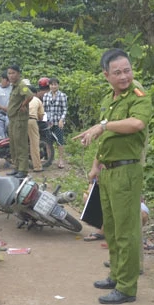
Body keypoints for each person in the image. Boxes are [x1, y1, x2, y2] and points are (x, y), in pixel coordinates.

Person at [73, 48, 152, 305]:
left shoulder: (138, 96)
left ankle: (127, 288)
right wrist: (96, 165)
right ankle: (116, 276)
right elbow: (105, 137)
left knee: (127, 231)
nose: (124, 76)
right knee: (113, 229)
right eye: (117, 72)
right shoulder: (109, 99)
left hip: (127, 172)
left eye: (127, 70)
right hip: (107, 173)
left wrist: (103, 126)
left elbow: (136, 124)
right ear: (106, 75)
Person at [6, 65, 33, 179]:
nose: (11, 75)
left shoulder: (22, 85)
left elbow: (30, 95)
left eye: (13, 73)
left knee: (20, 145)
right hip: (12, 119)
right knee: (13, 145)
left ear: (18, 73)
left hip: (19, 119)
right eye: (9, 73)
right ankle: (17, 167)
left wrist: (23, 104)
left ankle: (23, 169)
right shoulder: (14, 86)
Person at [43, 77, 68, 169]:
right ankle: (50, 160)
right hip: (49, 122)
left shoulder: (62, 96)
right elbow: (44, 109)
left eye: (55, 84)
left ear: (58, 85)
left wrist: (61, 120)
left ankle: (61, 160)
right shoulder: (46, 96)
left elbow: (65, 110)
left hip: (58, 122)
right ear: (49, 86)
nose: (53, 86)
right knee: (48, 141)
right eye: (52, 84)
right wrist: (45, 121)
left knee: (59, 141)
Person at [26, 83, 45, 173]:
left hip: (19, 121)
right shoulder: (37, 100)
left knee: (20, 145)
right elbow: (41, 115)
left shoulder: (21, 99)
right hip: (31, 121)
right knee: (34, 144)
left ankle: (19, 167)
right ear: (35, 93)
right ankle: (37, 166)